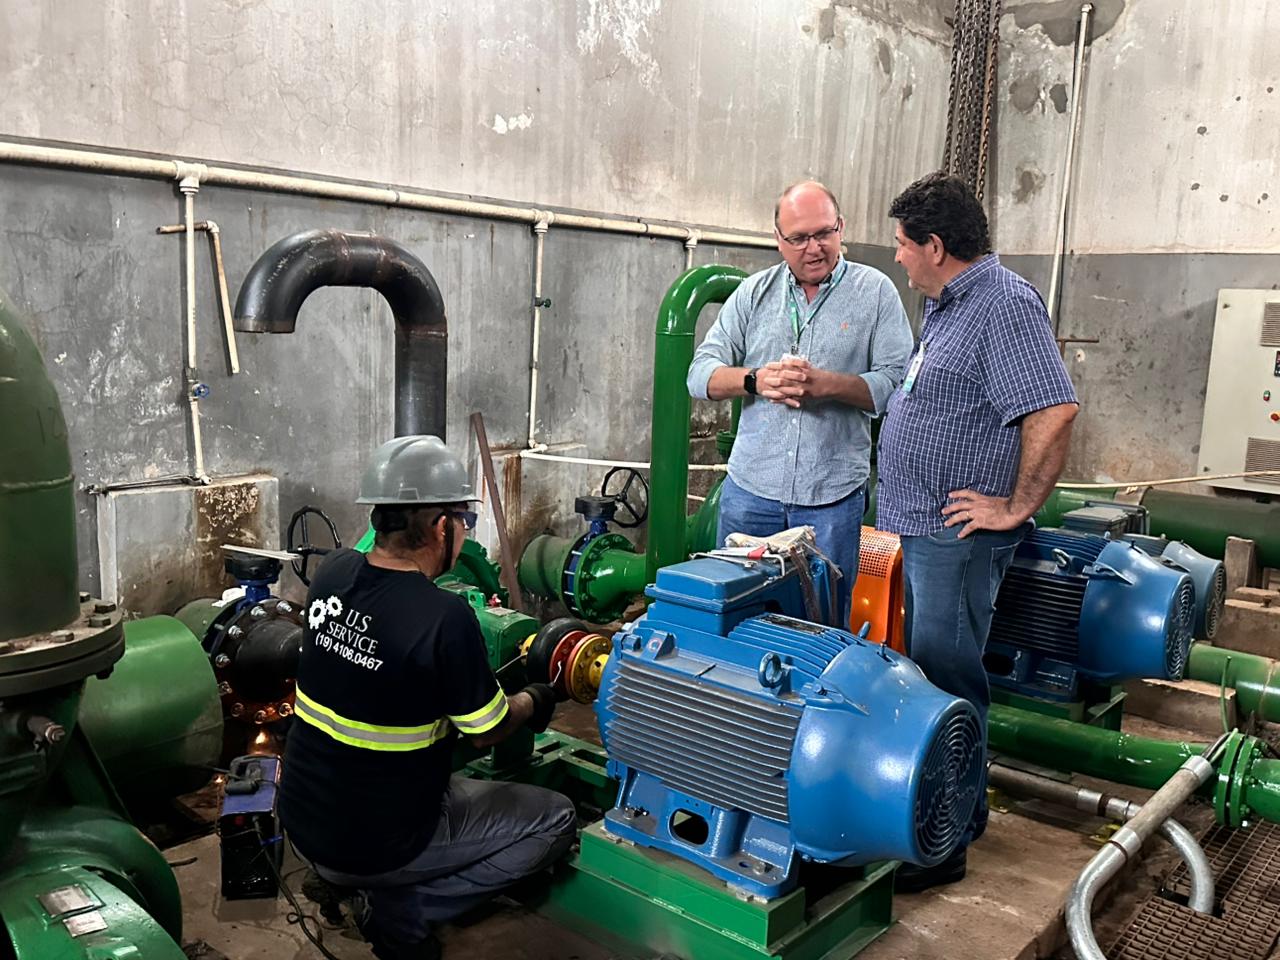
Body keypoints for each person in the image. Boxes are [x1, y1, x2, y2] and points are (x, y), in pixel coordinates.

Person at [278, 435, 576, 960]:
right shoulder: (444, 617)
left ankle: (355, 881)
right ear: (442, 526)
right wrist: (536, 696)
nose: (464, 533)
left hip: (301, 822)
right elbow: (487, 730)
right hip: (382, 843)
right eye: (466, 521)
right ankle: (404, 908)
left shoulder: (333, 572)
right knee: (555, 819)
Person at [878, 173, 1079, 892]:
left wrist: (1014, 507)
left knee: (947, 679)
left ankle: (946, 842)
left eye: (903, 243)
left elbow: (1054, 410)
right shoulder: (948, 305)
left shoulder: (1003, 304)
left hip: (955, 538)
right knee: (933, 672)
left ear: (935, 246)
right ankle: (962, 810)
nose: (897, 255)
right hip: (923, 527)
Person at [687, 180, 913, 627]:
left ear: (840, 227)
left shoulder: (876, 292)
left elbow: (897, 383)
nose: (813, 248)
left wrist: (826, 385)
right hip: (751, 493)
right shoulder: (754, 293)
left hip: (831, 499)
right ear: (778, 239)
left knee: (821, 622)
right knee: (735, 617)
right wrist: (756, 380)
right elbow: (699, 374)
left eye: (824, 233)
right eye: (798, 238)